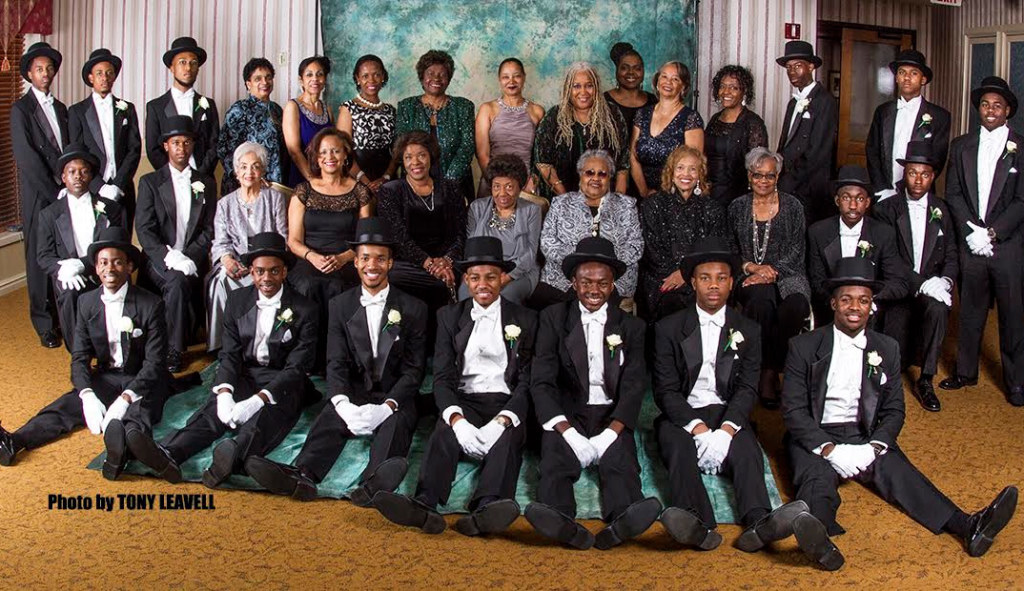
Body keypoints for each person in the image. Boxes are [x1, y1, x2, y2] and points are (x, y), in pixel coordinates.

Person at [781, 256, 1018, 557]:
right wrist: (829, 449)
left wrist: (874, 446)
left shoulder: (886, 348)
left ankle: (967, 525)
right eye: (847, 300)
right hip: (815, 435)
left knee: (901, 474)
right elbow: (793, 411)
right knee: (815, 482)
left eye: (863, 300)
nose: (855, 307)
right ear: (833, 303)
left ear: (871, 305)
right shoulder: (803, 346)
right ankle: (820, 540)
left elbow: (894, 410)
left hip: (862, 432)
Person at [651, 237, 842, 570]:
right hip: (683, 413)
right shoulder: (668, 329)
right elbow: (666, 390)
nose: (714, 285)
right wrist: (697, 429)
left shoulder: (748, 329)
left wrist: (725, 430)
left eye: (722, 278)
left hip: (727, 410)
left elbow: (747, 388)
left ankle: (759, 521)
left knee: (746, 452)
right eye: (706, 278)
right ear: (693, 282)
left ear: (732, 283)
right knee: (678, 450)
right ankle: (697, 522)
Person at [245, 218, 426, 504]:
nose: (372, 265)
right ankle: (302, 475)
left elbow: (415, 370)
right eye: (365, 257)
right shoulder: (339, 305)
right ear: (355, 262)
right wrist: (342, 402)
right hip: (354, 388)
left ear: (390, 263)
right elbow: (336, 363)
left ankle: (373, 484)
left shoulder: (415, 308)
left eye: (380, 259)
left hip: (394, 393)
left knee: (396, 426)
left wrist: (387, 406)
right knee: (328, 419)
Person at [373, 236, 537, 536]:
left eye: (490, 277)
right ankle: (425, 503)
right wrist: (456, 418)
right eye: (475, 278)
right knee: (443, 436)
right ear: (466, 280)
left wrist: (503, 420)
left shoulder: (526, 318)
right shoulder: (449, 316)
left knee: (507, 443)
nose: (483, 284)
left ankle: (488, 507)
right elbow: (443, 376)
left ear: (502, 278)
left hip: (505, 400)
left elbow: (528, 380)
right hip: (465, 399)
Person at [126, 232, 319, 488]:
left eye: (274, 271)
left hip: (283, 381)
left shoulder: (305, 309)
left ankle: (232, 458)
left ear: (284, 272)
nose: (267, 278)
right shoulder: (237, 300)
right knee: (211, 413)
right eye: (260, 271)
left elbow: (297, 368)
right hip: (245, 373)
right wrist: (226, 391)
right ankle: (170, 453)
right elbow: (229, 354)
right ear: (251, 271)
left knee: (260, 422)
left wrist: (257, 401)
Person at [525, 236, 661, 550]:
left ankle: (624, 519)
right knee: (555, 464)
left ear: (613, 285)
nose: (594, 290)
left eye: (602, 283)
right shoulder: (552, 318)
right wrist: (567, 432)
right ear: (573, 283)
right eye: (586, 282)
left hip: (610, 414)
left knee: (621, 465)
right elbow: (542, 381)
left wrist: (611, 433)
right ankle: (559, 520)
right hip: (566, 411)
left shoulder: (632, 327)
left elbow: (633, 385)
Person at [0, 227, 169, 475]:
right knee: (66, 406)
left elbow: (155, 363)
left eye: (117, 262)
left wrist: (126, 398)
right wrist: (87, 393)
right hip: (107, 375)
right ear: (96, 268)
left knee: (138, 413)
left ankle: (120, 452)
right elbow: (79, 356)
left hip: (143, 377)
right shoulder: (86, 302)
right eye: (103, 263)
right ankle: (15, 441)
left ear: (130, 267)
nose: (109, 268)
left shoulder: (151, 304)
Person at [940, 76, 1024, 406]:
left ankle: (1016, 382)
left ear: (1008, 112)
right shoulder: (960, 145)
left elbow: (1022, 201)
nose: (991, 110)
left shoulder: (1021, 147)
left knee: (1013, 313)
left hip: (1008, 245)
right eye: (986, 104)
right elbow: (954, 193)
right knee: (971, 309)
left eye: (997, 106)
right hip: (971, 241)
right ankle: (965, 371)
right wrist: (972, 232)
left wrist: (993, 233)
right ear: (979, 109)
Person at [874, 142, 957, 412]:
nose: (918, 179)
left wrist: (945, 281)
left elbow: (952, 254)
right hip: (899, 285)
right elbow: (891, 261)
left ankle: (926, 379)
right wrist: (922, 284)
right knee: (893, 345)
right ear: (904, 174)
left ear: (932, 177)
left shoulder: (942, 210)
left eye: (924, 174)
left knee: (939, 309)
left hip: (932, 285)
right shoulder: (886, 210)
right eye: (912, 173)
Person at [727, 148, 810, 408]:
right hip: (748, 275)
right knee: (761, 303)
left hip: (788, 274)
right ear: (749, 176)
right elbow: (730, 251)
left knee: (795, 305)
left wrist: (770, 273)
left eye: (770, 176)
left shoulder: (793, 206)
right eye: (757, 175)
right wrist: (752, 268)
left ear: (778, 176)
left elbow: (797, 251)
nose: (763, 181)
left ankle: (773, 368)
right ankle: (761, 372)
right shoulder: (737, 207)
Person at [135, 115, 217, 373]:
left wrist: (189, 257)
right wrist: (170, 258)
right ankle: (174, 348)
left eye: (187, 142)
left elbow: (209, 228)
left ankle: (175, 344)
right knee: (177, 281)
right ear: (166, 146)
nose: (182, 148)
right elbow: (145, 230)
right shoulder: (149, 182)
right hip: (160, 260)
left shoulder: (206, 182)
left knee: (183, 280)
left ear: (193, 145)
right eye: (176, 142)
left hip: (193, 259)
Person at [287, 128, 372, 370]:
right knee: (309, 285)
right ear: (315, 157)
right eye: (323, 152)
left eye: (335, 150)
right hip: (309, 256)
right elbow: (293, 241)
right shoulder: (303, 191)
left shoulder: (360, 192)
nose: (329, 156)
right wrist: (313, 257)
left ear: (346, 155)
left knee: (340, 287)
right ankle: (310, 359)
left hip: (348, 257)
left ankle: (340, 358)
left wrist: (346, 257)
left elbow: (365, 238)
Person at [10, 41, 69, 349]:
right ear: (29, 74)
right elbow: (27, 158)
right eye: (38, 69)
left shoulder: (61, 108)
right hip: (39, 195)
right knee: (38, 258)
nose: (45, 74)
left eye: (48, 69)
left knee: (62, 255)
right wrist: (55, 191)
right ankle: (43, 323)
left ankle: (62, 316)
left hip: (63, 192)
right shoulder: (20, 110)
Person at [36, 145, 124, 351]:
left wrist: (82, 264)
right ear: (63, 177)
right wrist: (62, 269)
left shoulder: (109, 209)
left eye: (84, 171)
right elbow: (43, 256)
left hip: (102, 270)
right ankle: (79, 354)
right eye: (72, 172)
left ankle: (114, 352)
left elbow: (117, 246)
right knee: (69, 292)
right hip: (70, 274)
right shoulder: (49, 214)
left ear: (91, 176)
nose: (78, 177)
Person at [207, 142, 289, 351]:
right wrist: (227, 260)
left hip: (267, 261)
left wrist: (262, 263)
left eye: (255, 166)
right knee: (220, 280)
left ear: (262, 170)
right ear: (236, 171)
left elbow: (283, 236)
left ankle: (261, 343)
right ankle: (222, 345)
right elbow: (220, 241)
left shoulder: (275, 198)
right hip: (237, 263)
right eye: (243, 167)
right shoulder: (224, 203)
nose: (249, 172)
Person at [537, 150, 643, 307]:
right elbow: (547, 242)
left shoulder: (626, 205)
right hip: (563, 281)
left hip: (611, 283)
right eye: (590, 172)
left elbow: (636, 245)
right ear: (581, 175)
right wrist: (579, 265)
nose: (596, 178)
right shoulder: (561, 203)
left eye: (602, 174)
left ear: (610, 178)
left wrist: (603, 265)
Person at [377, 131, 467, 315]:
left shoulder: (451, 188)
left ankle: (443, 336)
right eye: (408, 157)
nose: (415, 162)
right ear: (402, 160)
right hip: (408, 263)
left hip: (447, 261)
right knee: (392, 276)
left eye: (421, 155)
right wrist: (428, 264)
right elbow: (398, 238)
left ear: (430, 157)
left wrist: (446, 261)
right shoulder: (391, 191)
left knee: (450, 277)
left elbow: (460, 234)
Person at [807, 165, 909, 326]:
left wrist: (866, 299)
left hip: (871, 316)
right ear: (837, 200)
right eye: (846, 198)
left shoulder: (883, 233)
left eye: (860, 199)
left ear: (868, 202)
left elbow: (899, 283)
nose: (853, 205)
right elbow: (817, 281)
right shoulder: (818, 232)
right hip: (830, 312)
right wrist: (841, 302)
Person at [639, 145, 726, 320]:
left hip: (700, 278)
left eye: (692, 169)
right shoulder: (653, 205)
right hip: (662, 277)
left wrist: (686, 274)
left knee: (704, 299)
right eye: (680, 168)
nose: (686, 174)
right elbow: (651, 250)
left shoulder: (712, 208)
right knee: (671, 301)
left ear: (700, 175)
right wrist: (677, 274)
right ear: (671, 172)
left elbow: (714, 249)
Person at [68, 48, 142, 235]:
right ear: (91, 78)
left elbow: (134, 149)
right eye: (99, 73)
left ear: (114, 77)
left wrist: (118, 184)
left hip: (123, 189)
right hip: (91, 189)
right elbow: (78, 153)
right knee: (92, 243)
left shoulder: (127, 108)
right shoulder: (77, 111)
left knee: (122, 241)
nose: (105, 77)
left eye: (109, 73)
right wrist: (99, 186)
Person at [865, 50, 951, 202]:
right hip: (884, 194)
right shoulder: (882, 111)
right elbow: (872, 152)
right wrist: (882, 189)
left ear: (923, 79)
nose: (906, 77)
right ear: (896, 78)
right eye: (902, 72)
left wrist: (912, 188)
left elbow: (937, 160)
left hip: (919, 195)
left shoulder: (940, 117)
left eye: (913, 73)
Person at [534, 62, 630, 198]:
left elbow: (623, 164)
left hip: (606, 199)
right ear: (568, 88)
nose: (583, 92)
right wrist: (566, 200)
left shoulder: (612, 114)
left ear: (596, 87)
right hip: (562, 198)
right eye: (576, 86)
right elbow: (543, 162)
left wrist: (618, 201)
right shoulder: (554, 117)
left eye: (589, 85)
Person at [396, 50, 476, 200]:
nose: (436, 78)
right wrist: (420, 180)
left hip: (456, 182)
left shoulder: (463, 107)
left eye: (442, 74)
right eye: (430, 73)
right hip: (415, 182)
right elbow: (401, 145)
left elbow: (467, 147)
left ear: (449, 78)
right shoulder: (407, 106)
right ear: (422, 77)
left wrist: (449, 182)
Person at [463, 155, 542, 304]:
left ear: (520, 187)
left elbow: (530, 254)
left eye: (509, 187)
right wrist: (481, 276)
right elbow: (471, 248)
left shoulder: (532, 210)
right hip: (482, 271)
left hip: (519, 272)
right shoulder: (477, 208)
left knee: (506, 298)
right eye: (496, 186)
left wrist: (506, 277)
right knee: (466, 295)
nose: (502, 193)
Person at [776, 40, 837, 222]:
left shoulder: (825, 101)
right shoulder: (793, 102)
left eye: (797, 66)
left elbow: (818, 152)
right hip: (788, 184)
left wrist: (789, 181)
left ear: (811, 67)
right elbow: (784, 143)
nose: (792, 72)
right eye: (788, 67)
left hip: (810, 187)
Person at [145, 36, 219, 176]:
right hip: (168, 182)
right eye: (182, 62)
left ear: (198, 68)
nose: (188, 68)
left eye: (193, 63)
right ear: (171, 67)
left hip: (203, 180)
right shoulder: (155, 107)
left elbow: (214, 144)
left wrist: (200, 175)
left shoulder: (208, 105)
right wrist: (174, 175)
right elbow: (153, 149)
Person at [630, 61, 704, 198]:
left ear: (683, 87)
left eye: (675, 79)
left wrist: (665, 197)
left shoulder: (690, 118)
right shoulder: (642, 114)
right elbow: (633, 157)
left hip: (677, 196)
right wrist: (644, 192)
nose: (668, 82)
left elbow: (693, 164)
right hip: (641, 194)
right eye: (664, 77)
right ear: (657, 82)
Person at [474, 57, 545, 197]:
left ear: (524, 78)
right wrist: (498, 184)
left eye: (516, 76)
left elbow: (541, 155)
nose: (511, 81)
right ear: (499, 80)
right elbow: (483, 155)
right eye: (505, 77)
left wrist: (532, 180)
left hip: (526, 184)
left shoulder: (537, 111)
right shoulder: (487, 109)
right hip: (493, 183)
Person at [217, 58, 287, 195]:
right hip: (243, 185)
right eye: (258, 79)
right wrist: (246, 177)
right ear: (248, 84)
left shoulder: (277, 110)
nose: (264, 82)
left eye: (268, 77)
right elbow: (224, 149)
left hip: (274, 184)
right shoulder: (240, 109)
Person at [705, 65, 769, 208]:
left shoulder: (753, 123)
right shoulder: (715, 119)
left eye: (734, 88)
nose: (726, 92)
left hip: (736, 197)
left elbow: (758, 168)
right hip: (708, 193)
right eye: (722, 86)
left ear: (744, 92)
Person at [337, 54, 397, 192]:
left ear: (383, 77)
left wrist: (386, 177)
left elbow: (397, 149)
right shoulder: (348, 108)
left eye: (377, 75)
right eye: (365, 76)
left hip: (386, 178)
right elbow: (343, 150)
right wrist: (365, 181)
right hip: (356, 177)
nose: (372, 80)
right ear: (358, 79)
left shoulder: (391, 110)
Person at [284, 56, 334, 187]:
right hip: (303, 179)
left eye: (320, 74)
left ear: (325, 79)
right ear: (301, 80)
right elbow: (294, 151)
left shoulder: (327, 109)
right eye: (309, 75)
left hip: (328, 177)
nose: (315, 79)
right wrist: (314, 182)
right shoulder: (292, 106)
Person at [604, 42, 656, 134]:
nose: (631, 72)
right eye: (624, 68)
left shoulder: (654, 102)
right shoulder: (603, 102)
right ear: (617, 71)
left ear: (643, 72)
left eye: (637, 68)